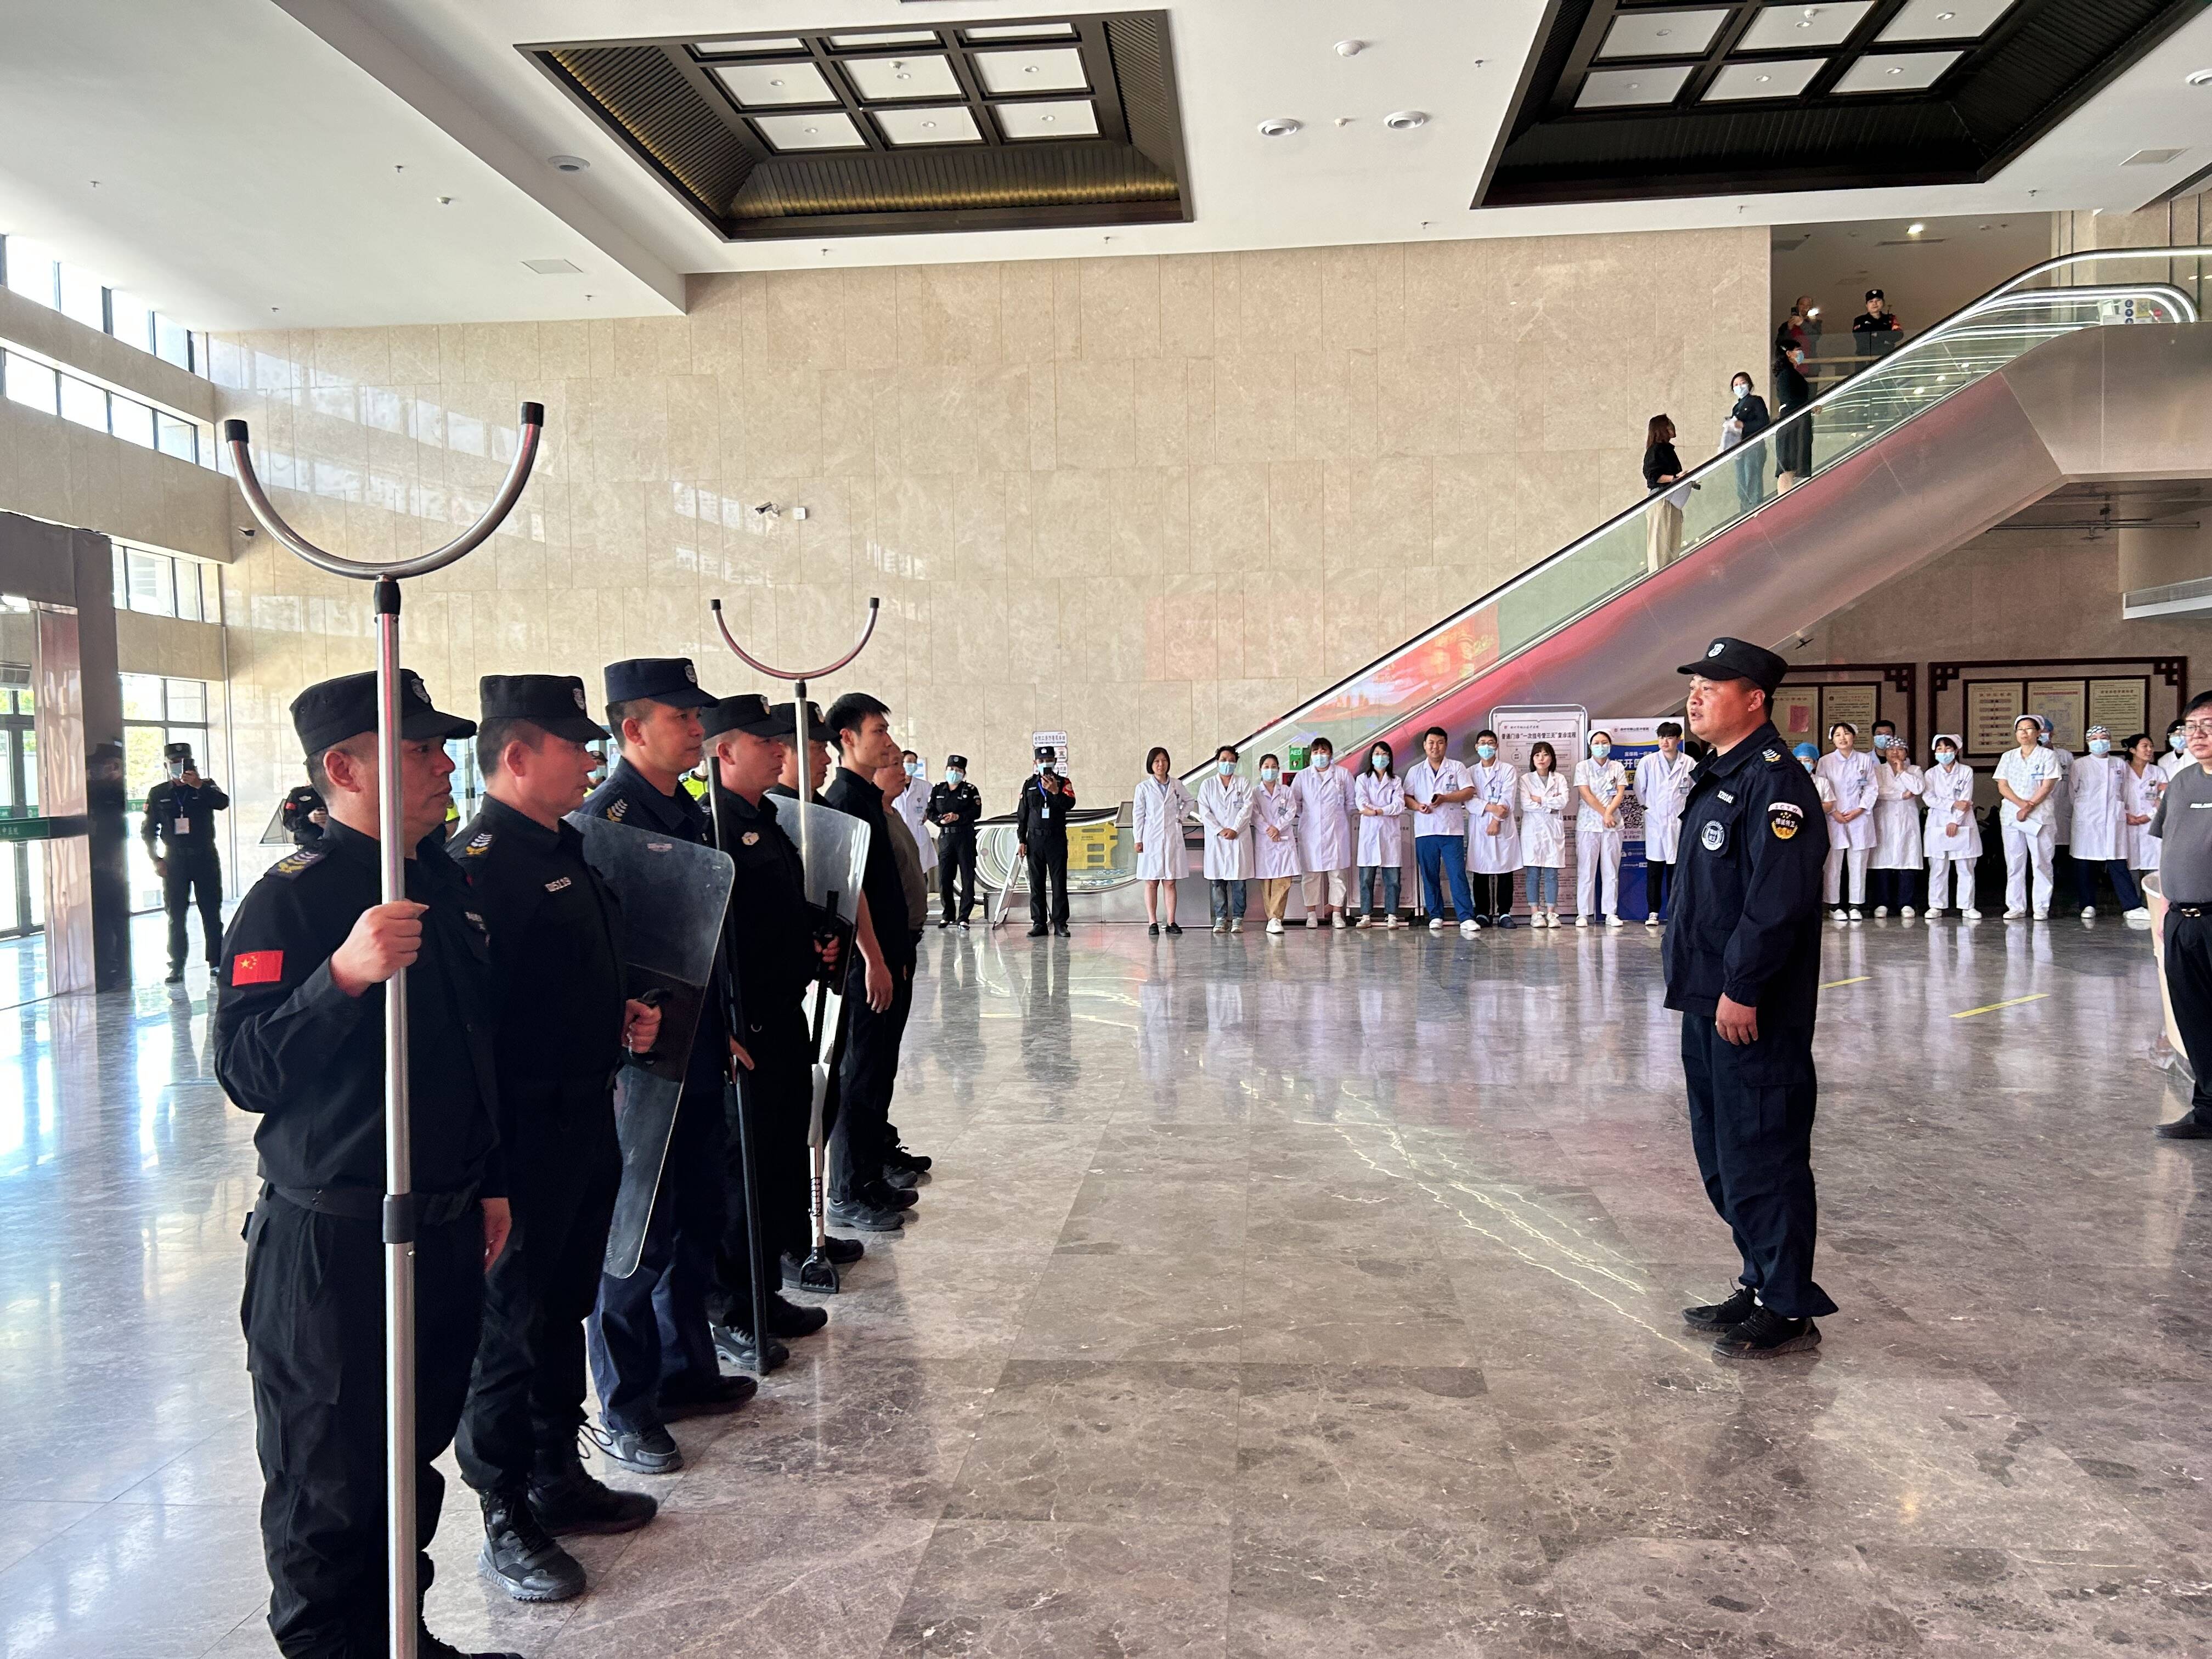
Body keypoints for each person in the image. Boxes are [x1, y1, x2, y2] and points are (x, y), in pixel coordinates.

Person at [215, 669, 517, 1659]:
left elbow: (469, 1049)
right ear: (344, 769)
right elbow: (246, 1068)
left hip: (441, 1220)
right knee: (328, 1484)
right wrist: (341, 977)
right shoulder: (293, 900)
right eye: (419, 749)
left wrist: (488, 1179)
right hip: (335, 1238)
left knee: (408, 1461)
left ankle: (401, 1638)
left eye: (441, 747)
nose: (444, 765)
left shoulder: (444, 878)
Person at [449, 676, 663, 1604]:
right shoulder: (478, 865)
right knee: (509, 1326)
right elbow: (476, 1026)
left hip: (585, 1114)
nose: (589, 758)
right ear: (516, 756)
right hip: (520, 1135)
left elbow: (567, 979)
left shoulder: (564, 847)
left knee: (563, 1303)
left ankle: (555, 1472)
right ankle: (505, 1512)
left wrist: (622, 1017)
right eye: (573, 745)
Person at [577, 659, 754, 1475]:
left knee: (694, 1217)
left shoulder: (686, 810)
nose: (697, 728)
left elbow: (701, 943)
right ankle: (627, 1405)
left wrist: (723, 1030)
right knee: (635, 1235)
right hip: (642, 1065)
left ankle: (685, 1371)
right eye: (681, 717)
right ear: (633, 729)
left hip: (698, 1047)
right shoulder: (604, 823)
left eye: (697, 716)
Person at [1667, 637, 1834, 1358]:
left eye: (1712, 686)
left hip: (1750, 1008)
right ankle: (1761, 1278)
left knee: (1763, 1150)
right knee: (1724, 1152)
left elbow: (1777, 900)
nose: (1696, 696)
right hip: (1707, 998)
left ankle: (1789, 1307)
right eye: (1694, 687)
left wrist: (1743, 987)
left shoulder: (1776, 783)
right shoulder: (1721, 774)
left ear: (1755, 699)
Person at [702, 695, 849, 1361]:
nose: (778, 751)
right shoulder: (714, 825)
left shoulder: (766, 819)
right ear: (725, 751)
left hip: (785, 1014)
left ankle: (766, 1290)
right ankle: (734, 1307)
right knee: (743, 1174)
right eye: (764, 742)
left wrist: (818, 939)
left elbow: (782, 911)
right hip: (747, 1025)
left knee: (780, 1160)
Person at [822, 692, 922, 1229]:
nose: (888, 741)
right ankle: (845, 1191)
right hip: (868, 964)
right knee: (858, 1073)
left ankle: (868, 1177)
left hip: (890, 954)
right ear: (848, 739)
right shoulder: (843, 799)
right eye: (878, 731)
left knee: (878, 1070)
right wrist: (875, 961)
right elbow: (851, 888)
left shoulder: (867, 798)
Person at [2151, 692, 2212, 1138]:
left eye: (2208, 724)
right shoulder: (2183, 781)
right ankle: (2207, 1113)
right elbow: (2170, 847)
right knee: (2194, 1019)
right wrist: (2165, 906)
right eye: (2190, 726)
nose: (2198, 734)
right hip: (2180, 920)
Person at [142, 741, 230, 985]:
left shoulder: (206, 786)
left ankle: (216, 962)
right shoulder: (159, 793)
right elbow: (149, 830)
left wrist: (199, 785)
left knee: (211, 911)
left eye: (183, 762)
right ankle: (177, 965)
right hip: (175, 860)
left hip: (205, 856)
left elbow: (222, 803)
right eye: (174, 763)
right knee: (176, 915)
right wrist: (155, 859)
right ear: (166, 766)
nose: (178, 767)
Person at [2069, 725, 2150, 921]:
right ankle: (2087, 905)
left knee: (2118, 862)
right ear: (2088, 743)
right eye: (2095, 738)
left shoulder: (2119, 763)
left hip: (2114, 819)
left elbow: (2124, 791)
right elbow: (2073, 792)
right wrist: (2085, 809)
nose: (2100, 742)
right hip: (2087, 820)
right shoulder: (2080, 765)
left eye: (2104, 738)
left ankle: (2131, 906)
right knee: (2085, 864)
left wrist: (2122, 810)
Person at [1404, 726, 1479, 935]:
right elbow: (1407, 797)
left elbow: (1469, 792)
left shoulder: (1456, 767)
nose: (1435, 747)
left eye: (1440, 743)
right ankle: (1435, 915)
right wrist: (1418, 806)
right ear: (1424, 746)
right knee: (1429, 875)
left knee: (1457, 874)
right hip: (1425, 831)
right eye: (1431, 743)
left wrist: (1446, 798)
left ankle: (1466, 917)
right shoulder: (1415, 771)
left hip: (1451, 831)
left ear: (1446, 745)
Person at [1994, 712, 2064, 919]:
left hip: (2039, 816)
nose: (2024, 733)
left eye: (2029, 729)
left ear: (2038, 732)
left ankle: (2041, 907)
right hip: (2012, 815)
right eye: (2020, 730)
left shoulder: (2048, 756)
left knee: (2042, 862)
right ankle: (2016, 906)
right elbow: (2002, 785)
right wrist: (2021, 805)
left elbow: (2047, 785)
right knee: (2014, 863)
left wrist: (2030, 806)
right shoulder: (2008, 757)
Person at [1814, 724, 1876, 922]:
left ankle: (1856, 905)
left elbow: (1872, 788)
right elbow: (1821, 790)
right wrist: (1834, 812)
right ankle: (1834, 905)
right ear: (1832, 739)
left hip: (1860, 818)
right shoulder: (1825, 761)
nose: (1843, 738)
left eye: (1847, 733)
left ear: (1854, 737)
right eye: (1838, 735)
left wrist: (1860, 809)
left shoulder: (1865, 760)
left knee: (1858, 863)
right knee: (1833, 864)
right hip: (1834, 818)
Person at [1634, 721, 1693, 924]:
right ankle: (1653, 912)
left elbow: (1694, 790)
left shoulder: (1689, 763)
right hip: (1655, 822)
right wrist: (1649, 810)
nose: (1664, 742)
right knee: (1655, 870)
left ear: (1678, 740)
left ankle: (1674, 911)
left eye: (1669, 737)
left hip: (1678, 822)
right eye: (1661, 737)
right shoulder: (1648, 762)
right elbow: (1640, 789)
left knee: (1675, 871)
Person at [1292, 738, 1354, 928]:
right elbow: (1295, 804)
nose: (1320, 755)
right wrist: (1312, 817)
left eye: (1324, 751)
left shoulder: (1343, 775)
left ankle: (1336, 914)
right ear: (1311, 755)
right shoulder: (1302, 777)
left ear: (1331, 754)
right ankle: (1311, 914)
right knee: (1311, 876)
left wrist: (1335, 818)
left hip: (1337, 832)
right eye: (1316, 752)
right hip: (1311, 833)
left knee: (1337, 875)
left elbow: (1351, 803)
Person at [1133, 747, 1195, 936]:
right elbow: (1138, 815)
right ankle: (1152, 922)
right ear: (1151, 765)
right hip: (1150, 839)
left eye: (1164, 761)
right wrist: (1138, 838)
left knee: (1170, 882)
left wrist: (1180, 817)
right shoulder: (1143, 788)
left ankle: (1171, 921)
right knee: (1152, 882)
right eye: (1157, 761)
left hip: (1171, 837)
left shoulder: (1176, 784)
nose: (1161, 765)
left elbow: (1189, 801)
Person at [1014, 744, 1075, 938]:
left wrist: (1056, 792)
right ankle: (1039, 922)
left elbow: (1070, 804)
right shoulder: (1029, 785)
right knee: (1036, 883)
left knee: (1059, 882)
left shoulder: (1063, 782)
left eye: (1048, 760)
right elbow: (1022, 814)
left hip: (1056, 838)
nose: (1045, 764)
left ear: (1055, 761)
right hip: (1034, 839)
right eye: (1041, 761)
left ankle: (1060, 923)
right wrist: (1022, 839)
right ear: (1035, 763)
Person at [1921, 736, 1982, 919]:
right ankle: (1936, 905)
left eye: (1948, 749)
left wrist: (1955, 821)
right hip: (1938, 822)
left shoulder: (1966, 771)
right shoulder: (1931, 774)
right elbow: (1929, 798)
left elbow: (1966, 800)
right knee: (1938, 866)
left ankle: (1967, 906)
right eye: (1940, 749)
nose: (1944, 752)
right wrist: (1953, 804)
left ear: (1956, 751)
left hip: (1962, 822)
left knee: (1965, 866)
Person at [1465, 729, 1521, 927]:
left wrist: (1496, 820)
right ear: (1476, 747)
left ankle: (1504, 913)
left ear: (1497, 746)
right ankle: (1482, 913)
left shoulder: (1507, 770)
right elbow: (1469, 800)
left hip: (1502, 825)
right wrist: (1491, 808)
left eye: (1490, 743)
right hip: (1480, 825)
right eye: (1483, 743)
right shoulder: (1470, 772)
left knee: (1505, 871)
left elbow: (1507, 799)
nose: (1486, 747)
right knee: (1480, 871)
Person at [1198, 744, 1256, 933]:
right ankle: (1221, 918)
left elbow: (1247, 808)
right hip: (1217, 839)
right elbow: (1204, 811)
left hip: (1238, 838)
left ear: (1236, 763)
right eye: (1223, 760)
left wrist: (1234, 829)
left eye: (1231, 761)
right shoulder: (1207, 785)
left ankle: (1238, 918)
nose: (1227, 764)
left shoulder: (1243, 783)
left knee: (1239, 882)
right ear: (1217, 762)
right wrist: (1220, 830)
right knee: (1218, 882)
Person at [1573, 731, 1627, 927]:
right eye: (1597, 743)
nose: (1601, 746)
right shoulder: (1583, 767)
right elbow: (1586, 794)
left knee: (1611, 869)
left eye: (1604, 742)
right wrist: (1605, 813)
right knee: (1586, 870)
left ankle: (1611, 913)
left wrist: (1609, 813)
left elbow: (1620, 792)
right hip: (1588, 824)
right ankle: (1583, 913)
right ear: (1590, 746)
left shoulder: (1617, 767)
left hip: (1613, 824)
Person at [1867, 732, 1923, 917]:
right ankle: (1882, 902)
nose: (1895, 753)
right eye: (1891, 749)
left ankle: (1906, 903)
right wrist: (1900, 795)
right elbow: (1878, 792)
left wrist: (1902, 772)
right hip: (1884, 819)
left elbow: (1917, 789)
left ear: (1906, 753)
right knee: (1882, 863)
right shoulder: (1877, 770)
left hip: (1907, 822)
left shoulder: (1914, 770)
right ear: (1885, 752)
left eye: (1900, 749)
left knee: (1907, 861)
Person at [1354, 740, 1406, 927]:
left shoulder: (1395, 780)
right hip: (1369, 835)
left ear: (1390, 758)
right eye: (1377, 754)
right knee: (1366, 879)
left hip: (1389, 834)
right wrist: (1383, 810)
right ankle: (1366, 915)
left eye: (1384, 754)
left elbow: (1399, 805)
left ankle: (1392, 915)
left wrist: (1378, 811)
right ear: (1371, 757)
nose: (1381, 757)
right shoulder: (1363, 779)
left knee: (1393, 879)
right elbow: (1361, 802)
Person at [927, 754, 981, 929]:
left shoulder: (970, 790)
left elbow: (976, 812)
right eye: (951, 769)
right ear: (946, 770)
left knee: (967, 877)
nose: (954, 773)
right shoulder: (938, 790)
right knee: (945, 878)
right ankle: (948, 914)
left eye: (958, 770)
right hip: (946, 838)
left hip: (965, 837)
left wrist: (958, 817)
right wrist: (940, 820)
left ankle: (964, 916)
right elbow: (930, 811)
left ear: (964, 773)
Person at [1519, 741, 1568, 927]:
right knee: (1533, 873)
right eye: (1537, 755)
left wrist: (1540, 800)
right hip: (1533, 831)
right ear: (1532, 759)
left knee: (1552, 874)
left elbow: (1563, 802)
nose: (1541, 758)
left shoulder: (1560, 779)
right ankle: (1535, 913)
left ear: (1552, 758)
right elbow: (1526, 804)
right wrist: (1550, 806)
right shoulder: (1526, 779)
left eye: (1546, 754)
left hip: (1553, 831)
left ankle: (1551, 914)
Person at [1252, 754, 1301, 934]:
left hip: (1283, 839)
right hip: (1265, 840)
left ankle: (1275, 919)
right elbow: (1254, 814)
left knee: (1284, 881)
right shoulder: (1255, 793)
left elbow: (1291, 811)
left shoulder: (1286, 791)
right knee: (1267, 882)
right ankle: (1272, 918)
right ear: (1260, 770)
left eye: (1274, 766)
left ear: (1278, 769)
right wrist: (1269, 829)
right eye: (1266, 766)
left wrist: (1277, 827)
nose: (1270, 770)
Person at [2041, 716, 2079, 912]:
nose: (2041, 735)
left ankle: (2067, 901)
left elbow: (2074, 785)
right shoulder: (2029, 757)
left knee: (2064, 859)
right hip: (2039, 816)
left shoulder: (2066, 756)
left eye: (2044, 731)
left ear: (2052, 733)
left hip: (2064, 812)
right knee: (2042, 860)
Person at [1723, 370, 1771, 516]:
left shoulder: (1756, 401)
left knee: (1753, 480)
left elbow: (1764, 422)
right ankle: (1745, 512)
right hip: (1740, 448)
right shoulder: (1736, 407)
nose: (1739, 386)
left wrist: (1743, 425)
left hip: (1754, 446)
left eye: (1742, 383)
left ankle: (1755, 510)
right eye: (1736, 385)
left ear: (1749, 385)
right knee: (1741, 485)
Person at [1643, 414, 1686, 573]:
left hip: (1672, 500)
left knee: (1671, 545)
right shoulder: (1656, 450)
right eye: (1669, 424)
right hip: (1662, 500)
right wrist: (1675, 478)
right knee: (1660, 548)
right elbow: (1653, 476)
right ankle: (1659, 578)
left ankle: (1669, 576)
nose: (1672, 427)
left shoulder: (1667, 450)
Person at [891, 749, 936, 885]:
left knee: (920, 874)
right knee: (901, 873)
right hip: (898, 833)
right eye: (909, 762)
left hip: (918, 834)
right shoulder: (892, 784)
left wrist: (927, 815)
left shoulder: (924, 786)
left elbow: (935, 804)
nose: (913, 765)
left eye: (915, 762)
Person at [1773, 338, 1813, 490]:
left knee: (1793, 467)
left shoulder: (1791, 374)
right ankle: (1784, 499)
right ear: (1789, 354)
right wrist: (1808, 406)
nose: (1800, 353)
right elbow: (1789, 399)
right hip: (1791, 423)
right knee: (1787, 468)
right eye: (1798, 350)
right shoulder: (1786, 374)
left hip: (1797, 422)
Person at [2125, 732, 2163, 880]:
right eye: (2145, 746)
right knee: (2130, 867)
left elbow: (2164, 796)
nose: (2150, 750)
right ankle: (2134, 896)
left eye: (2151, 747)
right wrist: (2125, 815)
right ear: (2133, 750)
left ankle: (2151, 895)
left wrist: (2149, 815)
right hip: (2127, 822)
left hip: (2151, 822)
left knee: (2154, 866)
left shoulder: (2157, 772)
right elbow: (2114, 796)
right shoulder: (2122, 771)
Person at [1852, 287, 1900, 357]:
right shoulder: (1860, 320)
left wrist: (1876, 334)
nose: (1875, 304)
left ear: (1883, 303)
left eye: (1878, 300)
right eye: (1871, 301)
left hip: (1887, 356)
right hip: (1866, 358)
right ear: (1867, 305)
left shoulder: (1890, 319)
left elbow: (1898, 335)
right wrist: (1885, 338)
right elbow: (1862, 337)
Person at [279, 778, 326, 849]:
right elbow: (288, 823)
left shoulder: (336, 793)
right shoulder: (297, 794)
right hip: (308, 847)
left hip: (335, 843)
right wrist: (308, 819)